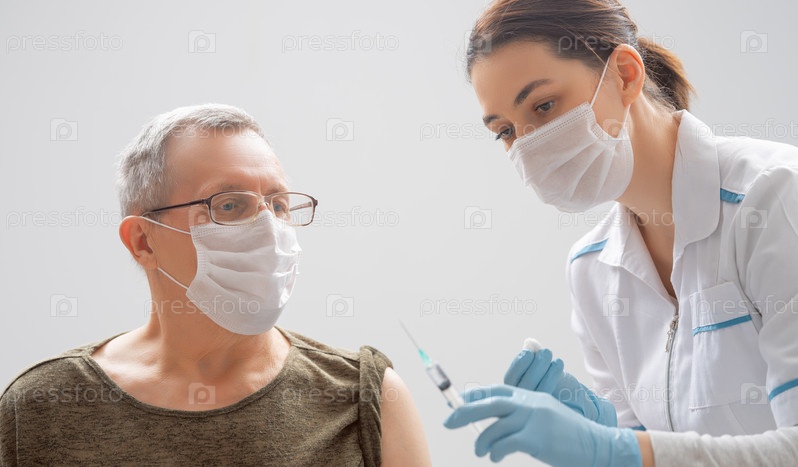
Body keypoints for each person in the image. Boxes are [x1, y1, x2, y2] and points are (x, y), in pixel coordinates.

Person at [443, 0, 798, 465]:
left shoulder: (772, 198)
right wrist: (607, 430)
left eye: (544, 106)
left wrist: (616, 450)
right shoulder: (591, 268)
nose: (528, 145)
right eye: (505, 131)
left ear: (625, 75)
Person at [0, 104, 432, 466]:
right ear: (143, 241)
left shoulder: (364, 396)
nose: (268, 228)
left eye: (279, 205)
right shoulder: (43, 407)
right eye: (228, 205)